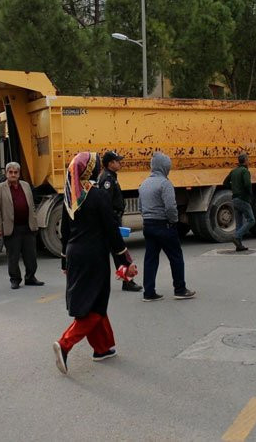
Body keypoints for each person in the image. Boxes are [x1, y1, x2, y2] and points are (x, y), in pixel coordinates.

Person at [53, 152, 137, 375]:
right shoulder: (98, 196)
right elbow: (111, 232)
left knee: (92, 299)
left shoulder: (70, 197)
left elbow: (65, 232)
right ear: (90, 170)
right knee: (96, 304)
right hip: (93, 256)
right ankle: (65, 344)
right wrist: (125, 260)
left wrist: (64, 260)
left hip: (74, 254)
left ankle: (103, 348)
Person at [138, 152, 196, 301]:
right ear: (164, 167)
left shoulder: (143, 184)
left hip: (148, 225)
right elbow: (170, 207)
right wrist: (173, 221)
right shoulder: (165, 183)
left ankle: (149, 292)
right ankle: (180, 289)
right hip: (164, 225)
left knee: (150, 259)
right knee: (176, 257)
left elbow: (140, 207)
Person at [0, 162, 43, 289]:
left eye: (16, 172)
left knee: (31, 256)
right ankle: (15, 279)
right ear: (6, 173)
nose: (13, 175)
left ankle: (30, 277)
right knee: (13, 257)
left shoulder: (25, 185)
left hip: (27, 226)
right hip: (11, 228)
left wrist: (35, 222)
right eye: (11, 172)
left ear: (19, 174)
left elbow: (31, 205)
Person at [97, 150, 142, 291]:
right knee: (120, 252)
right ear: (110, 163)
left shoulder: (110, 176)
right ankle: (127, 281)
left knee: (117, 253)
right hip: (112, 220)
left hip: (113, 219)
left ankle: (125, 281)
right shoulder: (108, 179)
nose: (120, 163)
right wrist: (112, 222)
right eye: (117, 161)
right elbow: (106, 204)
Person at [227, 153, 253, 251]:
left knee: (239, 223)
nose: (248, 161)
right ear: (246, 161)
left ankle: (239, 245)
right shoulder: (245, 171)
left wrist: (233, 188)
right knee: (251, 220)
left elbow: (225, 182)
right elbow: (247, 184)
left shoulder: (233, 171)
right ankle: (237, 236)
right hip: (243, 198)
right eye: (248, 159)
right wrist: (250, 194)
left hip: (234, 199)